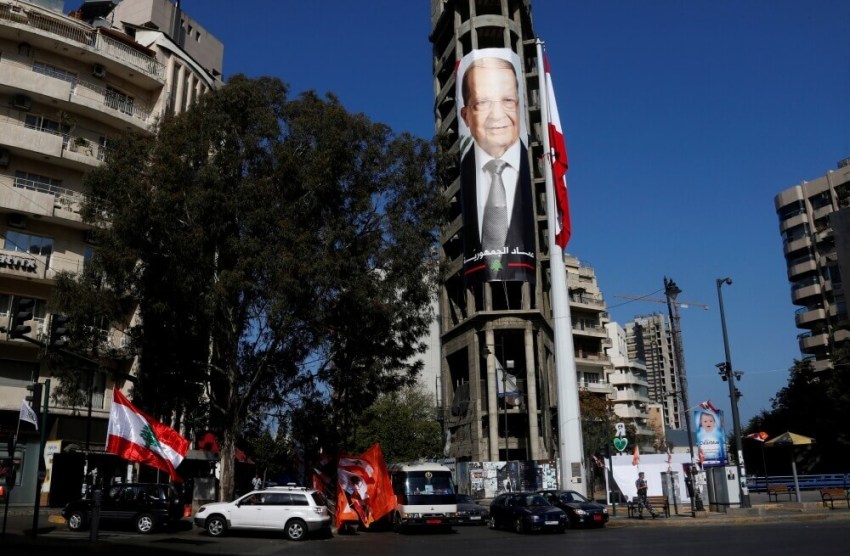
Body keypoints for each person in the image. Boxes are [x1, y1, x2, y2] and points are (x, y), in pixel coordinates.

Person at [458, 53, 536, 283]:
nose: (497, 115)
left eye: (508, 101)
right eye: (482, 103)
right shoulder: (462, 173)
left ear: (519, 107)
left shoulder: (534, 169)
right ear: (466, 115)